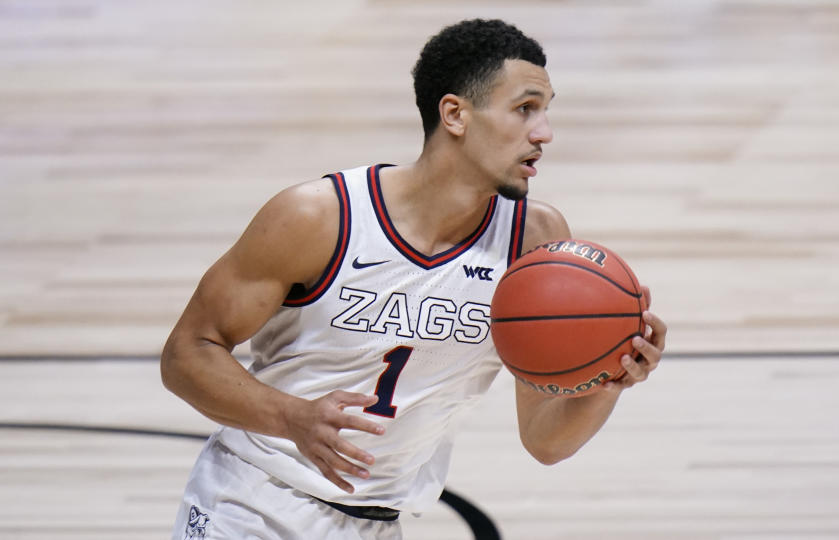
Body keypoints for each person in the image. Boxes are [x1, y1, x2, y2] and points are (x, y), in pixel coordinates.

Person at [161, 18, 667, 540]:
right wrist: (291, 416)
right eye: (524, 109)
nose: (544, 132)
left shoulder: (534, 241)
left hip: (378, 524)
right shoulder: (319, 217)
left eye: (545, 110)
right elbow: (185, 354)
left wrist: (608, 381)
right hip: (250, 505)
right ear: (455, 114)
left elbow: (545, 441)